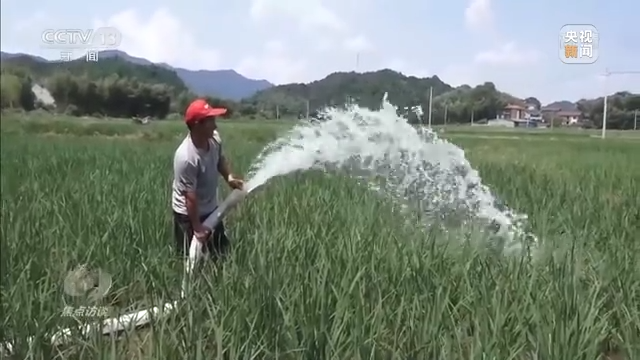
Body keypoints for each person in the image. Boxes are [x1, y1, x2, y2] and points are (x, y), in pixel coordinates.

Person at [172, 99, 244, 261]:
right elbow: (189, 196)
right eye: (210, 121)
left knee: (220, 255)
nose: (215, 126)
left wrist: (229, 178)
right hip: (188, 216)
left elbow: (219, 160)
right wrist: (197, 228)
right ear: (197, 125)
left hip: (211, 209)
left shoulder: (214, 139)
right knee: (189, 260)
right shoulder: (186, 157)